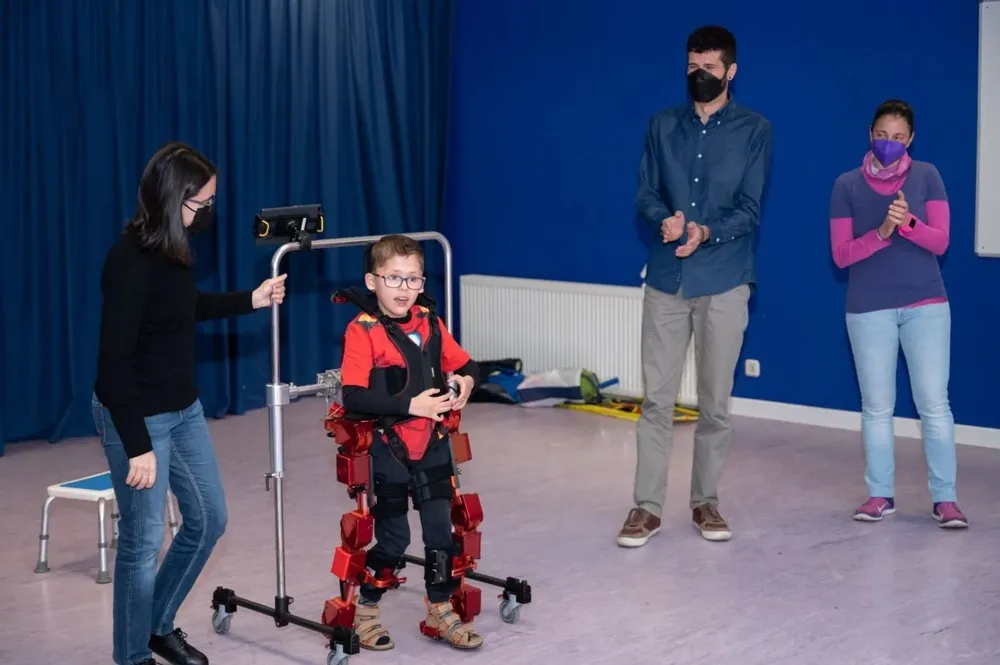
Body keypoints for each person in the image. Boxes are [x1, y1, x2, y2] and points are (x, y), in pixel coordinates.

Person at [93, 141, 288, 665]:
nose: (207, 213)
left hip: (182, 409)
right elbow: (112, 365)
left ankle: (156, 626)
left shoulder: (175, 249)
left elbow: (185, 307)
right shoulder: (128, 261)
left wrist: (252, 298)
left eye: (211, 203)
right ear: (171, 197)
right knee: (142, 543)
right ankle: (132, 656)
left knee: (208, 519)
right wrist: (137, 445)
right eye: (200, 203)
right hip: (135, 414)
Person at [616, 25, 773, 548]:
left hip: (725, 280)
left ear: (731, 71)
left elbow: (749, 209)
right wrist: (664, 220)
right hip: (667, 279)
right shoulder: (662, 125)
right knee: (656, 401)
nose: (698, 76)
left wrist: (706, 232)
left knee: (715, 405)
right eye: (691, 67)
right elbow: (645, 193)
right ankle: (646, 507)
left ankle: (706, 501)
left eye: (709, 68)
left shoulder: (755, 130)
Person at [336, 234, 484, 651]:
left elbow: (467, 364)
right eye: (393, 278)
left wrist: (466, 382)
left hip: (433, 444)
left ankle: (440, 608)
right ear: (372, 281)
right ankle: (366, 609)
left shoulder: (430, 323)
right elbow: (354, 397)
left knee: (441, 535)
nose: (404, 288)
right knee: (394, 538)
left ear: (423, 282)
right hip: (389, 449)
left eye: (413, 279)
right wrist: (411, 405)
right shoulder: (362, 331)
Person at [829, 100, 967, 528]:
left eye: (898, 137)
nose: (888, 143)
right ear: (870, 134)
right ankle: (879, 495)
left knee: (934, 405)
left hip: (926, 305)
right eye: (881, 135)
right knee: (876, 408)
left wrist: (908, 224)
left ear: (911, 140)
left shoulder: (927, 176)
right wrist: (883, 232)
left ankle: (945, 499)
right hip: (868, 309)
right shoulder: (846, 185)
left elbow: (941, 242)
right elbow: (841, 255)